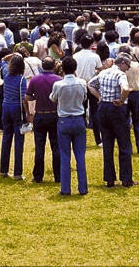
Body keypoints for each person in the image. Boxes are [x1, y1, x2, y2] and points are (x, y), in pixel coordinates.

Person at [88, 54, 137, 188]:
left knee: (107, 144)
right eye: (127, 67)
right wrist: (121, 100)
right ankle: (126, 178)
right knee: (124, 143)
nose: (127, 70)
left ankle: (109, 178)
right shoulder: (120, 75)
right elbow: (126, 89)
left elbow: (90, 84)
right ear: (122, 64)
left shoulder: (104, 73)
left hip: (103, 107)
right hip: (117, 109)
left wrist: (99, 96)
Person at [49, 56, 88, 196]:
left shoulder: (58, 85)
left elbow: (53, 98)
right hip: (78, 119)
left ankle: (66, 189)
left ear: (63, 69)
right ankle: (83, 188)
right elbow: (84, 98)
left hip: (64, 120)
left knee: (65, 156)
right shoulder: (82, 83)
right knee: (80, 156)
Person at [24, 56, 62, 184]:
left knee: (39, 147)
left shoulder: (35, 79)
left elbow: (27, 97)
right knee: (56, 146)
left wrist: (37, 97)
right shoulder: (58, 80)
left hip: (40, 115)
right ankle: (58, 175)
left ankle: (38, 176)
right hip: (54, 115)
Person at [0, 53, 28, 180]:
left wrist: (10, 55)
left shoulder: (6, 75)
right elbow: (23, 99)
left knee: (6, 138)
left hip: (6, 107)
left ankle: (3, 170)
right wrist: (27, 113)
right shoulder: (22, 79)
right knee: (18, 140)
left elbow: (1, 61)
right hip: (16, 108)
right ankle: (17, 173)